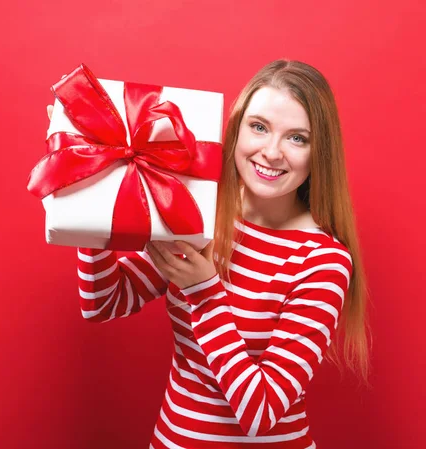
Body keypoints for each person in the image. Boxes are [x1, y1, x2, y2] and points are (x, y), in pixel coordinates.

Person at [47, 59, 371, 448]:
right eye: (259, 127)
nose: (272, 152)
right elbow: (103, 303)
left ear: (320, 152)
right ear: (235, 129)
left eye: (297, 138)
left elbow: (260, 414)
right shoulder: (201, 215)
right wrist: (96, 192)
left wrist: (204, 290)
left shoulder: (323, 260)